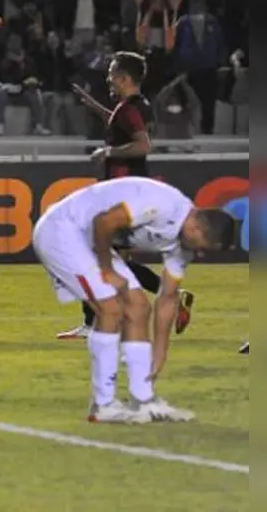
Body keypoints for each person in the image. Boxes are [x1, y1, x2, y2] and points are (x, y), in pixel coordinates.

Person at [32, 177, 237, 423]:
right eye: (204, 247)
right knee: (110, 308)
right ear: (196, 229)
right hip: (63, 230)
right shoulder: (162, 205)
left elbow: (168, 297)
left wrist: (160, 352)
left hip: (89, 238)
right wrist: (108, 269)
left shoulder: (185, 244)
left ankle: (144, 399)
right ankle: (103, 405)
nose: (201, 254)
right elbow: (104, 221)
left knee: (139, 307)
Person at [59, 51, 194, 340]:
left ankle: (93, 322)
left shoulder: (130, 109)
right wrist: (95, 107)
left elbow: (143, 145)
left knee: (91, 252)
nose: (108, 79)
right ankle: (172, 295)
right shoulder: (136, 106)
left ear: (123, 78)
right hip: (130, 194)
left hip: (121, 196)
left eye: (111, 73)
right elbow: (123, 126)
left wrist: (108, 151)